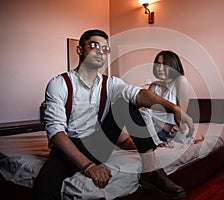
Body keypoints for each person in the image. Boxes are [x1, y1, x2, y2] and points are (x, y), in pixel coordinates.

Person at [32, 29, 194, 200]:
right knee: (44, 186)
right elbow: (56, 132)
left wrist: (175, 109)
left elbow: (138, 94)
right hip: (68, 147)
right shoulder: (59, 84)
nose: (101, 51)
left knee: (126, 103)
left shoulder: (111, 83)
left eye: (105, 48)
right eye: (94, 45)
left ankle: (151, 170)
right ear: (80, 50)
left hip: (98, 144)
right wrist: (88, 167)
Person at [147, 50, 203, 147]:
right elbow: (145, 111)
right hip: (150, 127)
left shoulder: (181, 81)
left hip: (167, 131)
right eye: (158, 65)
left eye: (164, 65)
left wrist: (157, 121)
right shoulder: (154, 85)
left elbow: (180, 116)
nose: (160, 68)